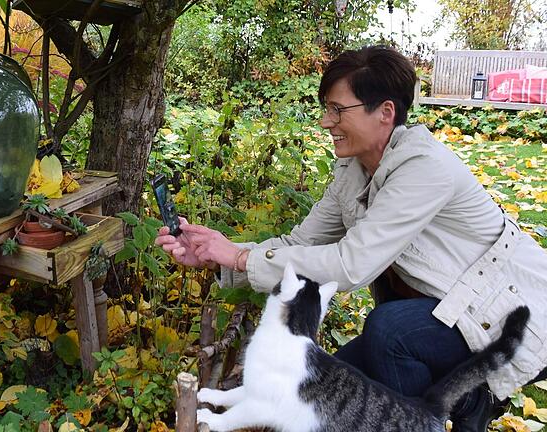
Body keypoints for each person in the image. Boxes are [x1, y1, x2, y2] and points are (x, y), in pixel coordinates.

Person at [155, 45, 547, 432]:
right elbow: (300, 244)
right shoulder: (353, 169)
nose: (326, 122)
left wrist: (242, 259)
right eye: (326, 108)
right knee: (318, 393)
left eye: (337, 110)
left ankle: (467, 404)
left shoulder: (425, 168)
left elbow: (350, 264)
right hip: (442, 312)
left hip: (507, 316)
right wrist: (220, 255)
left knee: (388, 331)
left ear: (385, 113)